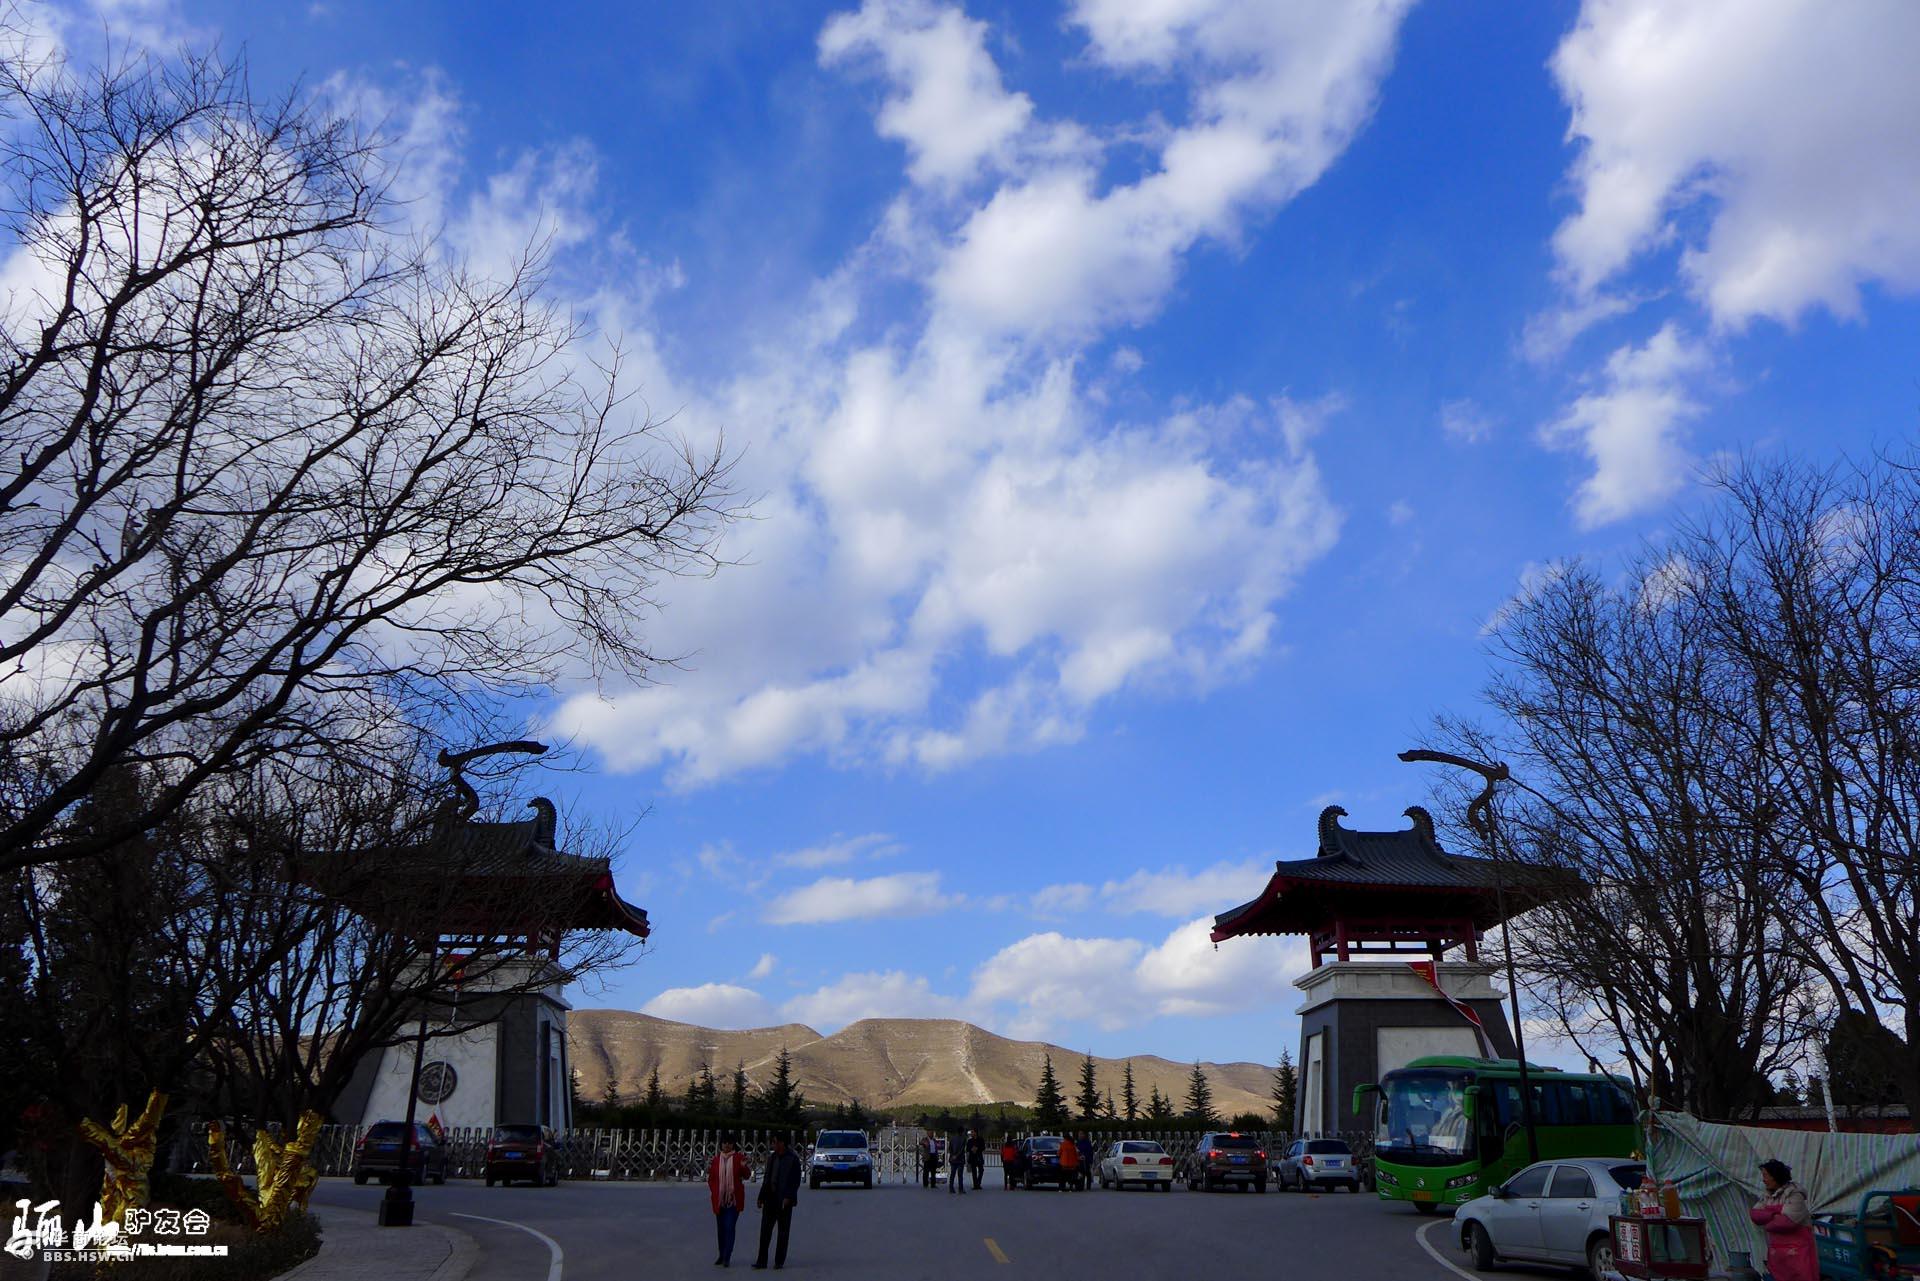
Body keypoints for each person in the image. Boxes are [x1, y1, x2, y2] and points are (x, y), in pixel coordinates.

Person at [1749, 1158, 1816, 1281]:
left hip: (1798, 1253)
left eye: (1766, 1176)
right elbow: (1755, 1215)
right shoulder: (1767, 1196)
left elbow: (1786, 1222)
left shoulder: (1795, 1195)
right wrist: (1777, 1212)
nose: (1763, 1180)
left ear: (1776, 1176)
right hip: (1778, 1254)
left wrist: (1767, 1217)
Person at [752, 1133, 802, 1271]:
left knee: (783, 1233)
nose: (773, 1145)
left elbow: (795, 1181)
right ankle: (761, 1260)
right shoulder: (772, 1158)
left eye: (774, 1142)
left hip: (784, 1201)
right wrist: (761, 1197)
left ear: (781, 1143)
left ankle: (779, 1261)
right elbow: (767, 1179)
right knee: (765, 1232)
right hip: (770, 1199)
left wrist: (789, 1196)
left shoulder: (792, 1159)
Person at [707, 1133, 750, 1268]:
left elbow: (747, 1175)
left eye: (729, 1143)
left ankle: (727, 1256)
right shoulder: (715, 1160)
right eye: (725, 1143)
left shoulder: (739, 1158)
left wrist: (743, 1167)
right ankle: (721, 1254)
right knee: (721, 1230)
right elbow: (711, 1179)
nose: (727, 1145)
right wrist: (715, 1192)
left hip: (733, 1200)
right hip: (720, 1201)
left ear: (733, 1145)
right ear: (721, 1144)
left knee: (729, 1227)